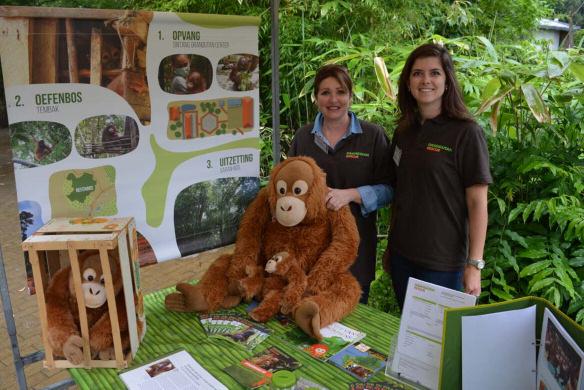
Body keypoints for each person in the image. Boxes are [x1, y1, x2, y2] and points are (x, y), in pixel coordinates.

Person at [384, 43, 492, 309]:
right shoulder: (404, 131)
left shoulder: (466, 133)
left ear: (447, 81)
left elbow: (478, 203)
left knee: (440, 343)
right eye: (418, 73)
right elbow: (400, 193)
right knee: (411, 338)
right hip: (402, 256)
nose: (426, 80)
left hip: (442, 264)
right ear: (408, 82)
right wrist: (390, 245)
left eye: (435, 73)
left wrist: (474, 265)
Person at [289, 64, 392, 303]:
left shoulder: (372, 136)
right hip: (310, 252)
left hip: (355, 252)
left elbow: (389, 189)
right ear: (316, 98)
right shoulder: (303, 138)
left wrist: (352, 194)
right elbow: (289, 186)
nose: (333, 99)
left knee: (352, 322)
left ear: (350, 95)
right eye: (325, 92)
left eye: (341, 91)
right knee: (308, 316)